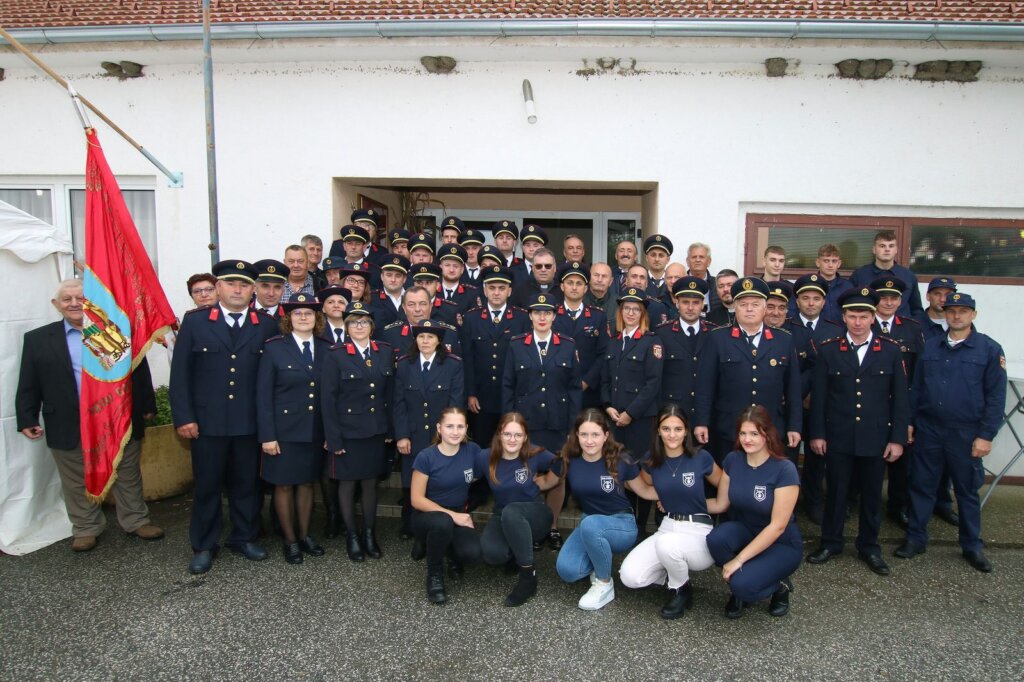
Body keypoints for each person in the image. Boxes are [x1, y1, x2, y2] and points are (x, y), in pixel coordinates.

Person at [16, 279, 164, 553]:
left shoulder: (115, 331)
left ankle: (136, 521)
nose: (74, 304)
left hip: (116, 417)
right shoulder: (37, 339)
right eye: (67, 299)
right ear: (56, 305)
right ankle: (86, 528)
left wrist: (146, 406)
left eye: (80, 298)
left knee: (126, 472)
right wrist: (27, 417)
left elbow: (139, 371)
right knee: (75, 477)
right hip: (67, 420)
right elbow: (29, 381)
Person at [169, 260, 279, 574]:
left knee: (247, 485)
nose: (237, 290)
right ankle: (204, 544)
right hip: (207, 424)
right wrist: (184, 417)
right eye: (231, 283)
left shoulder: (265, 325)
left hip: (248, 423)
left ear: (253, 290)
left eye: (244, 285)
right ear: (218, 287)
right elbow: (181, 376)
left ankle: (243, 537)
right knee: (207, 486)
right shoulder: (196, 322)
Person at [896, 292, 1007, 573]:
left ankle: (971, 546)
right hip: (930, 429)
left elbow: (996, 397)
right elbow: (917, 388)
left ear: (973, 315)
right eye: (951, 311)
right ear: (945, 314)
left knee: (966, 490)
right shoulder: (931, 347)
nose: (956, 316)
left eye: (963, 311)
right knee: (922, 485)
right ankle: (916, 538)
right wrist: (909, 422)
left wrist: (986, 435)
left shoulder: (989, 350)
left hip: (966, 433)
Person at [806, 287, 909, 577]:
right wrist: (817, 434)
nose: (858, 322)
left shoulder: (889, 351)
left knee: (872, 495)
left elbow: (901, 400)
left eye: (864, 316)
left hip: (875, 438)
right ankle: (831, 542)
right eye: (853, 316)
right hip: (838, 435)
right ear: (843, 317)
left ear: (873, 317)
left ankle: (869, 546)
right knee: (836, 492)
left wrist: (897, 439)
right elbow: (820, 399)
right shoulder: (828, 350)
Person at [619, 405, 723, 619]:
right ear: (658, 430)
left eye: (678, 429)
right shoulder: (652, 460)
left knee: (667, 546)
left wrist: (702, 504)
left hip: (698, 530)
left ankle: (680, 590)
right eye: (666, 429)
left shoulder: (701, 458)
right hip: (668, 527)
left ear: (686, 431)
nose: (672, 434)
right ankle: (675, 572)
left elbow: (725, 486)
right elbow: (647, 489)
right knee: (629, 577)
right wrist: (618, 472)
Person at [554, 409, 657, 610]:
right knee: (567, 571)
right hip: (590, 523)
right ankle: (599, 556)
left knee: (591, 524)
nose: (589, 440)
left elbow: (645, 491)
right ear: (576, 435)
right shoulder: (569, 460)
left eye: (595, 434)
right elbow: (548, 481)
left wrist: (675, 497)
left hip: (621, 525)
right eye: (584, 434)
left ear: (606, 436)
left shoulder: (621, 460)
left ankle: (604, 583)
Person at [706, 406, 802, 618]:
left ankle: (779, 586)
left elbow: (777, 526)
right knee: (716, 539)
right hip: (747, 529)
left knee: (744, 586)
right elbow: (721, 504)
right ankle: (743, 582)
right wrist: (680, 504)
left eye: (754, 434)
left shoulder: (784, 469)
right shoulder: (733, 460)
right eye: (742, 433)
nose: (747, 439)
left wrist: (739, 560)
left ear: (768, 435)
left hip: (781, 542)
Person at [694, 277, 802, 464]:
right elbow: (705, 385)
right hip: (729, 428)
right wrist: (701, 422)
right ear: (735, 307)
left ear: (764, 307)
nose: (749, 309)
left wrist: (794, 426)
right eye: (743, 304)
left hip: (769, 429)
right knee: (728, 481)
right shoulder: (717, 338)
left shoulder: (783, 340)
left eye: (755, 304)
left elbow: (793, 389)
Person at [504, 292, 582, 548]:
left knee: (557, 476)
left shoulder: (567, 345)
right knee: (527, 477)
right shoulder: (516, 344)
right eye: (537, 312)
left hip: (558, 422)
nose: (542, 317)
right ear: (530, 315)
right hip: (527, 424)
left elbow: (574, 389)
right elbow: (508, 386)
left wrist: (573, 427)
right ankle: (533, 527)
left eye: (546, 312)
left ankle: (553, 527)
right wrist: (509, 425)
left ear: (554, 316)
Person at [256, 293, 329, 565]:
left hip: (314, 430)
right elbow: (263, 395)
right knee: (284, 486)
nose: (303, 317)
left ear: (316, 318)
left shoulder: (326, 346)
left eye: (308, 313)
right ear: (288, 319)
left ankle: (305, 534)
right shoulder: (275, 347)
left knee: (307, 484)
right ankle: (290, 540)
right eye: (297, 313)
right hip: (283, 431)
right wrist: (267, 436)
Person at [322, 301, 393, 562]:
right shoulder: (335, 354)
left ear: (372, 326)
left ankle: (370, 534)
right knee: (347, 484)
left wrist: (389, 427)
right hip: (347, 431)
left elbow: (390, 392)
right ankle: (352, 536)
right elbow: (327, 400)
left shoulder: (383, 351)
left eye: (363, 321)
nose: (359, 326)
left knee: (370, 483)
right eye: (353, 322)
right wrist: (332, 437)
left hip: (375, 430)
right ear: (346, 326)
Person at [870, 276, 940, 528]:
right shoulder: (863, 324)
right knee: (868, 460)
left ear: (901, 301)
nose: (888, 302)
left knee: (901, 461)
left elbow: (920, 373)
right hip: (871, 404)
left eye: (894, 298)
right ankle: (860, 504)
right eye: (883, 297)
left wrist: (911, 413)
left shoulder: (912, 328)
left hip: (901, 404)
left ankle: (897, 506)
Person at [477, 413, 560, 607]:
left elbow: (563, 464)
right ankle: (515, 552)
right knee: (491, 554)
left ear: (525, 437)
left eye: (518, 435)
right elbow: (464, 475)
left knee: (513, 511)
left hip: (535, 515)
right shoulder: (485, 457)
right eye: (507, 434)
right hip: (502, 513)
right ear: (499, 435)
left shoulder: (535, 454)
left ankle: (528, 577)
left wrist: (546, 482)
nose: (512, 439)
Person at [392, 320, 465, 538]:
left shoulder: (452, 364)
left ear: (439, 341)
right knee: (410, 481)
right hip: (413, 435)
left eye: (430, 337)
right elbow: (399, 402)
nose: (425, 341)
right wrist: (402, 435)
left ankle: (437, 524)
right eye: (421, 336)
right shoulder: (405, 364)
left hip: (440, 436)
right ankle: (410, 524)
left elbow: (455, 403)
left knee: (438, 481)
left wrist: (448, 435)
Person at [602, 287, 664, 535]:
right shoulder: (614, 342)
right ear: (620, 312)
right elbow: (605, 380)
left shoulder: (652, 342)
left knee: (640, 470)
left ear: (642, 313)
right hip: (615, 419)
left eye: (635, 309)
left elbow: (653, 383)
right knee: (617, 469)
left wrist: (630, 413)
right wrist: (608, 406)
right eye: (626, 308)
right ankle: (622, 519)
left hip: (639, 420)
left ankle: (641, 526)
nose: (630, 312)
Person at [410, 407, 482, 604]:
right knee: (442, 524)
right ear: (439, 428)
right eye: (449, 426)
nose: (455, 431)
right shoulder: (426, 457)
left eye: (460, 426)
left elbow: (497, 461)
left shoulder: (472, 451)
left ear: (466, 428)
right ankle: (435, 575)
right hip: (427, 515)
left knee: (473, 553)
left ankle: (452, 553)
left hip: (457, 513)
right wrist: (453, 515)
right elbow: (416, 499)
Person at [460, 266, 530, 449]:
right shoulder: (472, 318)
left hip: (512, 395)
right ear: (484, 290)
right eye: (492, 288)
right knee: (482, 447)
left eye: (501, 288)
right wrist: (470, 393)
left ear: (510, 291)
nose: (496, 292)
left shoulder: (522, 318)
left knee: (511, 445)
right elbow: (468, 359)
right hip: (481, 398)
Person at [656, 276, 716, 421]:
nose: (690, 308)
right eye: (685, 302)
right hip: (672, 413)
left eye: (695, 302)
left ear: (702, 304)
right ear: (677, 303)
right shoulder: (662, 333)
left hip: (706, 414)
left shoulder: (714, 334)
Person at [553, 261, 609, 409]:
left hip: (589, 392)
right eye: (569, 282)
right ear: (562, 286)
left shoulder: (598, 317)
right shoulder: (551, 315)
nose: (574, 287)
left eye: (579, 283)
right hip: (557, 388)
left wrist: (587, 381)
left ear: (585, 288)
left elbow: (604, 354)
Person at [848, 230, 924, 318]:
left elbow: (916, 309)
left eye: (891, 246)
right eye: (882, 246)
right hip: (869, 328)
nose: (887, 249)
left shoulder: (908, 276)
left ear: (896, 250)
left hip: (901, 328)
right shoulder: (859, 275)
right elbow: (851, 305)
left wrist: (914, 329)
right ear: (874, 250)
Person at [379, 286, 462, 362]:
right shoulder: (390, 334)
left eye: (422, 304)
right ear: (404, 308)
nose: (417, 309)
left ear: (430, 306)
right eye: (411, 304)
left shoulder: (448, 333)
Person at [812, 244, 853, 323]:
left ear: (839, 263)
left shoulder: (848, 287)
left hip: (841, 331)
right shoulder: (810, 285)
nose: (830, 265)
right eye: (826, 261)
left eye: (834, 261)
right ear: (817, 262)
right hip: (817, 332)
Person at [437, 244, 481, 316]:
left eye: (456, 266)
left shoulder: (472, 294)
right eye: (447, 265)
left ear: (462, 269)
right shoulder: (432, 290)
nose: (451, 270)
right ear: (440, 267)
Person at [369, 254, 410, 329]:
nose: (393, 280)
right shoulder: (371, 298)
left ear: (404, 279)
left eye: (398, 276)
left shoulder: (413, 297)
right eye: (389, 275)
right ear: (382, 276)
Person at [916, 276, 957, 341]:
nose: (942, 299)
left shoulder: (961, 323)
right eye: (937, 294)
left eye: (947, 294)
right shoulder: (914, 324)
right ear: (928, 296)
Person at [685, 243, 719, 315]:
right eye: (694, 257)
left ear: (709, 261)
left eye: (701, 257)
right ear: (687, 261)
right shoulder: (680, 283)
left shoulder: (718, 284)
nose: (697, 260)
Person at [643, 234, 673, 300]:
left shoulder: (673, 281)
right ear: (647, 258)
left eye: (661, 255)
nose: (657, 259)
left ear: (668, 259)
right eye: (653, 255)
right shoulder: (640, 280)